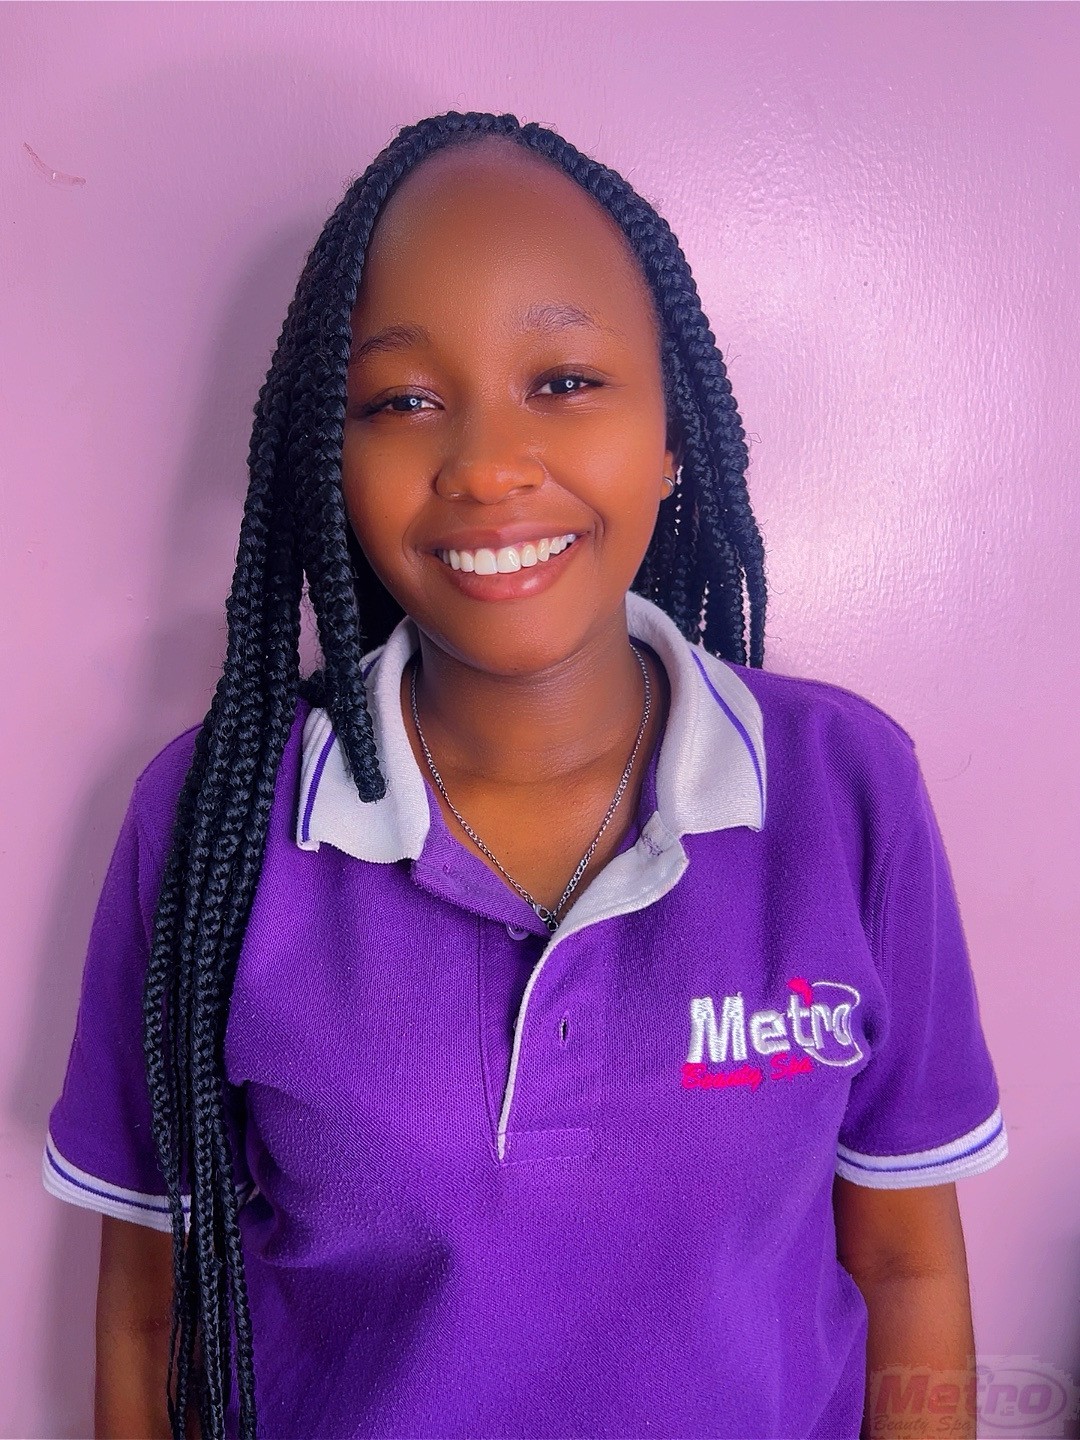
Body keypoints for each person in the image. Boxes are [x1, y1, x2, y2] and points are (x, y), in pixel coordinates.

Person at [41, 110, 1007, 1440]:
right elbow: (152, 1312)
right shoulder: (218, 821)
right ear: (327, 461)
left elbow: (907, 1268)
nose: (488, 465)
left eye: (563, 381)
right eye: (401, 400)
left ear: (673, 431)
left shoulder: (845, 792)